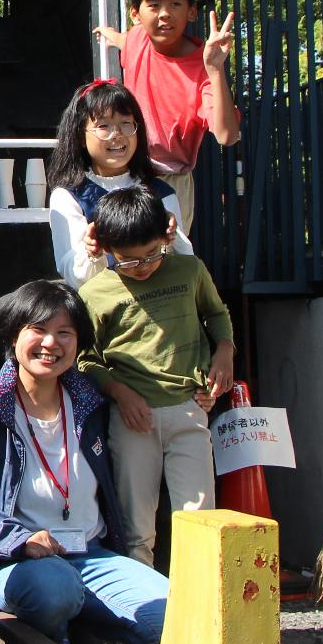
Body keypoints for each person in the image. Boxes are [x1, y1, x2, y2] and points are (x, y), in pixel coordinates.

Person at [0, 280, 167, 644]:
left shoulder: (91, 402)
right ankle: (71, 632)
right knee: (55, 592)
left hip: (93, 555)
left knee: (171, 615)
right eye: (38, 329)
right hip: (19, 562)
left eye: (64, 333)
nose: (51, 343)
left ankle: (89, 627)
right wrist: (20, 539)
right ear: (13, 335)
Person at [78, 188, 236, 566]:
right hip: (133, 418)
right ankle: (144, 616)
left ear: (167, 234)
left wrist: (225, 352)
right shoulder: (95, 292)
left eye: (152, 254)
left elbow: (216, 314)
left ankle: (199, 611)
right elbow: (84, 358)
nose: (144, 266)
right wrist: (118, 392)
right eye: (129, 261)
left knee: (199, 519)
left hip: (189, 407)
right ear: (105, 247)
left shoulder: (189, 269)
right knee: (136, 528)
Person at [94, 0, 239, 233]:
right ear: (136, 14)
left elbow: (227, 135)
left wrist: (216, 69)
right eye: (154, 5)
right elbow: (127, 41)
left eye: (175, 3)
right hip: (125, 173)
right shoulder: (137, 38)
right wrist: (110, 35)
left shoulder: (203, 70)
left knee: (167, 264)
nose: (164, 14)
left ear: (191, 11)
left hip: (170, 181)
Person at [44, 79, 191, 288]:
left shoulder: (160, 192)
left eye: (126, 123)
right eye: (103, 126)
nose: (117, 134)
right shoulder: (68, 197)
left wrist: (172, 235)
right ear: (79, 136)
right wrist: (92, 253)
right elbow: (74, 276)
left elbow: (185, 263)